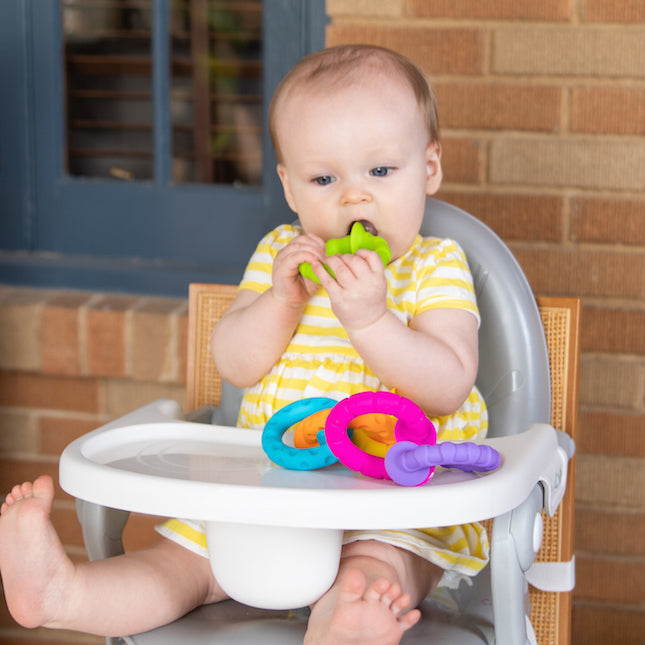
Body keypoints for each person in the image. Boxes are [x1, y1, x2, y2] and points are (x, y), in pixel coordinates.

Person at [0, 45, 488, 645]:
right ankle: (62, 593)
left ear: (430, 167)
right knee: (186, 568)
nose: (353, 198)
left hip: (386, 500)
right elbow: (233, 361)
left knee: (376, 569)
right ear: (289, 187)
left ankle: (347, 620)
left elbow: (448, 383)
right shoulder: (283, 256)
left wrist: (371, 320)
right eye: (324, 178)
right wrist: (282, 300)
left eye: (380, 172)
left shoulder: (436, 265)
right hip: (266, 487)